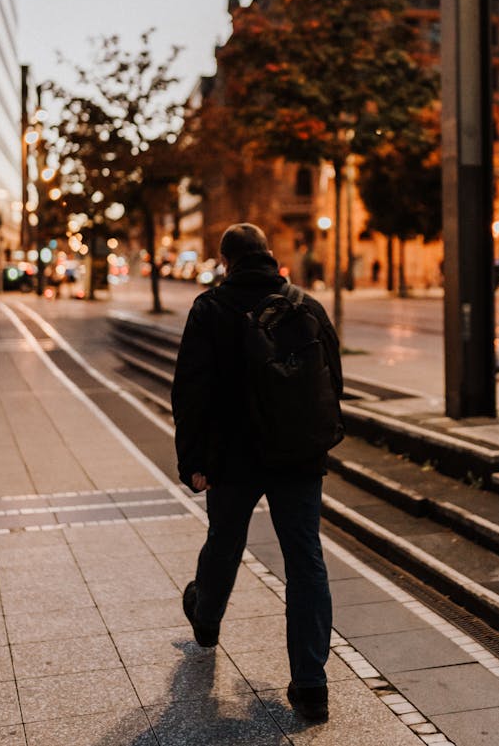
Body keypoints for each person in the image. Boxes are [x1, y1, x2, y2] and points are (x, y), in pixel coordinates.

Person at [171, 222, 343, 723]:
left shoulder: (210, 309)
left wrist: (193, 462)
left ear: (226, 261)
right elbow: (333, 381)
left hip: (234, 457)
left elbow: (190, 393)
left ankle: (206, 620)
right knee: (305, 560)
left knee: (225, 540)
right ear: (269, 254)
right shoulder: (305, 304)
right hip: (298, 456)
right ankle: (311, 685)